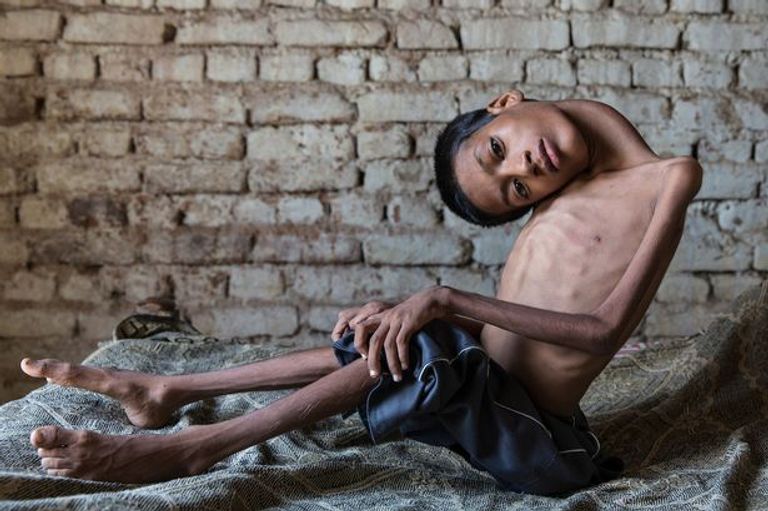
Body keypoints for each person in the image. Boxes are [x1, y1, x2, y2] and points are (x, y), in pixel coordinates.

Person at [19, 88, 702, 495]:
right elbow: (518, 322)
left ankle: (200, 446)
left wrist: (443, 300)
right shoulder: (565, 176)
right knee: (398, 332)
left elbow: (603, 332)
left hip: (530, 437)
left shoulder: (670, 178)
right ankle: (172, 389)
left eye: (500, 155)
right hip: (487, 389)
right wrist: (405, 310)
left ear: (505, 103)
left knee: (432, 336)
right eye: (515, 185)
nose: (522, 167)